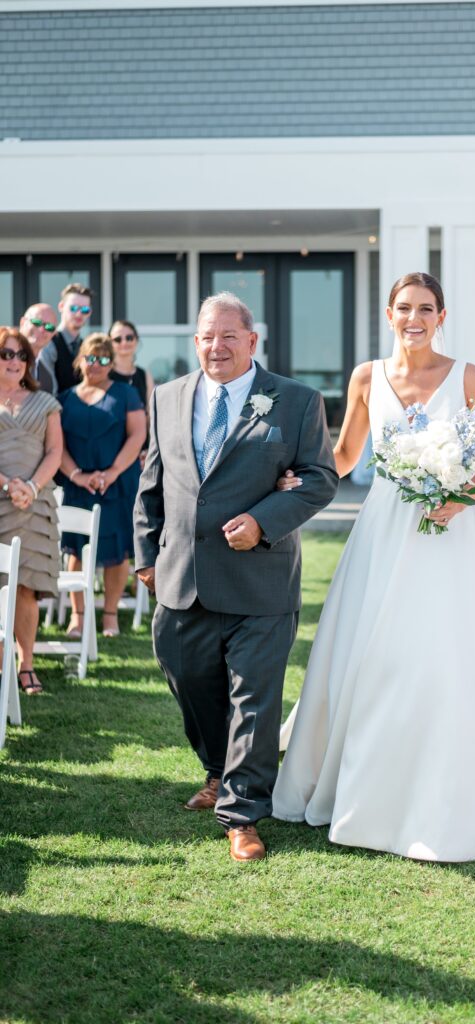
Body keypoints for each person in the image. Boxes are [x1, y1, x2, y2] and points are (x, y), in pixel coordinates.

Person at [271, 272, 475, 863]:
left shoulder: (466, 376)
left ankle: (456, 777)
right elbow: (343, 456)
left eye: (426, 308)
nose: (415, 317)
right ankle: (368, 771)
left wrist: (460, 497)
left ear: (442, 315)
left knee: (449, 650)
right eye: (404, 307)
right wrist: (298, 478)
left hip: (452, 532)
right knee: (374, 650)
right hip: (384, 529)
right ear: (389, 313)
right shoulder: (367, 377)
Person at [133, 291, 338, 862]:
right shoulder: (167, 398)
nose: (215, 346)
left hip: (259, 580)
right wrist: (147, 556)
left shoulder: (295, 402)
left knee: (253, 697)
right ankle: (218, 770)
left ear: (252, 341)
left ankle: (242, 813)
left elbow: (320, 478)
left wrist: (263, 521)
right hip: (181, 577)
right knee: (189, 681)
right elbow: (153, 482)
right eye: (206, 336)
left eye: (228, 336)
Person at [59, 333, 146, 639]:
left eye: (103, 359)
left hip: (118, 483)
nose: (96, 364)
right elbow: (57, 446)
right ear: (80, 359)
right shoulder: (64, 398)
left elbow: (137, 436)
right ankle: (78, 617)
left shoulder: (126, 394)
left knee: (118, 551)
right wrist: (77, 476)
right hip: (77, 485)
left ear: (111, 364)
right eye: (90, 357)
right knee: (76, 550)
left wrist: (111, 472)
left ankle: (110, 615)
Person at [0, 327, 62, 695]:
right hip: (1, 500)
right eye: (6, 354)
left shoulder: (46, 402)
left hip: (35, 506)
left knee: (26, 588)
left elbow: (55, 451)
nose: (14, 361)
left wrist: (32, 487)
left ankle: (26, 665)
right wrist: (8, 484)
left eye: (21, 355)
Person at [108, 319, 155, 462]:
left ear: (136, 340)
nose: (124, 342)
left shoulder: (144, 375)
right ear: (110, 343)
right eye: (117, 339)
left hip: (140, 454)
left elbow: (150, 416)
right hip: (110, 450)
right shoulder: (104, 374)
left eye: (129, 337)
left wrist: (150, 448)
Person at [36, 283, 94, 395]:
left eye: (85, 309)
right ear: (61, 307)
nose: (79, 314)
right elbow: (49, 391)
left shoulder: (86, 347)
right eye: (74, 308)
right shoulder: (48, 343)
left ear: (90, 312)